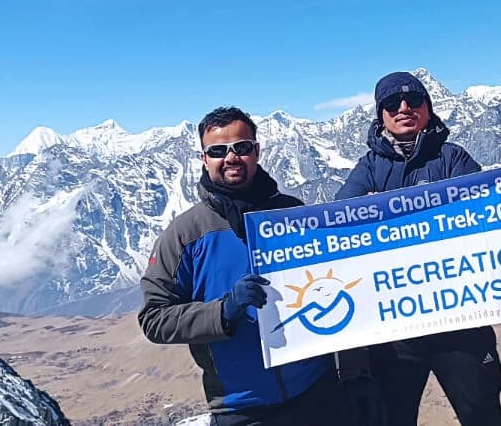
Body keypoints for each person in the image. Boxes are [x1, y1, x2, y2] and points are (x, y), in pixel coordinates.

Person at [139, 106, 346, 426]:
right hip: (241, 407)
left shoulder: (293, 214)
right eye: (218, 150)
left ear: (257, 151)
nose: (231, 157)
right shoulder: (185, 234)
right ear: (204, 159)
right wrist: (221, 311)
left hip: (318, 391)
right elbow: (154, 319)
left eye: (242, 147)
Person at [336, 71, 501, 426]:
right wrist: (365, 214)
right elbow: (338, 223)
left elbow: (487, 212)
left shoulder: (453, 158)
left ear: (428, 108)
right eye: (392, 103)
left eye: (414, 100)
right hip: (395, 331)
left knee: (482, 415)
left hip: (462, 318)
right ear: (379, 114)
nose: (403, 108)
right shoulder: (368, 167)